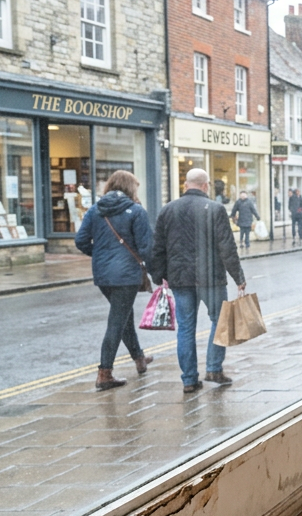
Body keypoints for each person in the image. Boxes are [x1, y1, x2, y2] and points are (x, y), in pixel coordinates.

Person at [149, 168, 247, 392]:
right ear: (206, 186)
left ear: (185, 185)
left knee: (185, 328)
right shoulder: (215, 209)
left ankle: (189, 380)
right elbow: (227, 247)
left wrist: (159, 277)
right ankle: (214, 368)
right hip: (210, 278)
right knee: (219, 321)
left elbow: (158, 248)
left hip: (180, 279)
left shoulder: (168, 210)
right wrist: (238, 277)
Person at [75, 170, 154, 391]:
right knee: (117, 322)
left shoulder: (95, 210)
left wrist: (100, 255)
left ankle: (139, 358)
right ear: (130, 188)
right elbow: (146, 247)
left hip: (102, 275)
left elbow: (80, 240)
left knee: (123, 316)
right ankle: (104, 373)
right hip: (126, 275)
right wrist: (157, 272)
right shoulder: (136, 211)